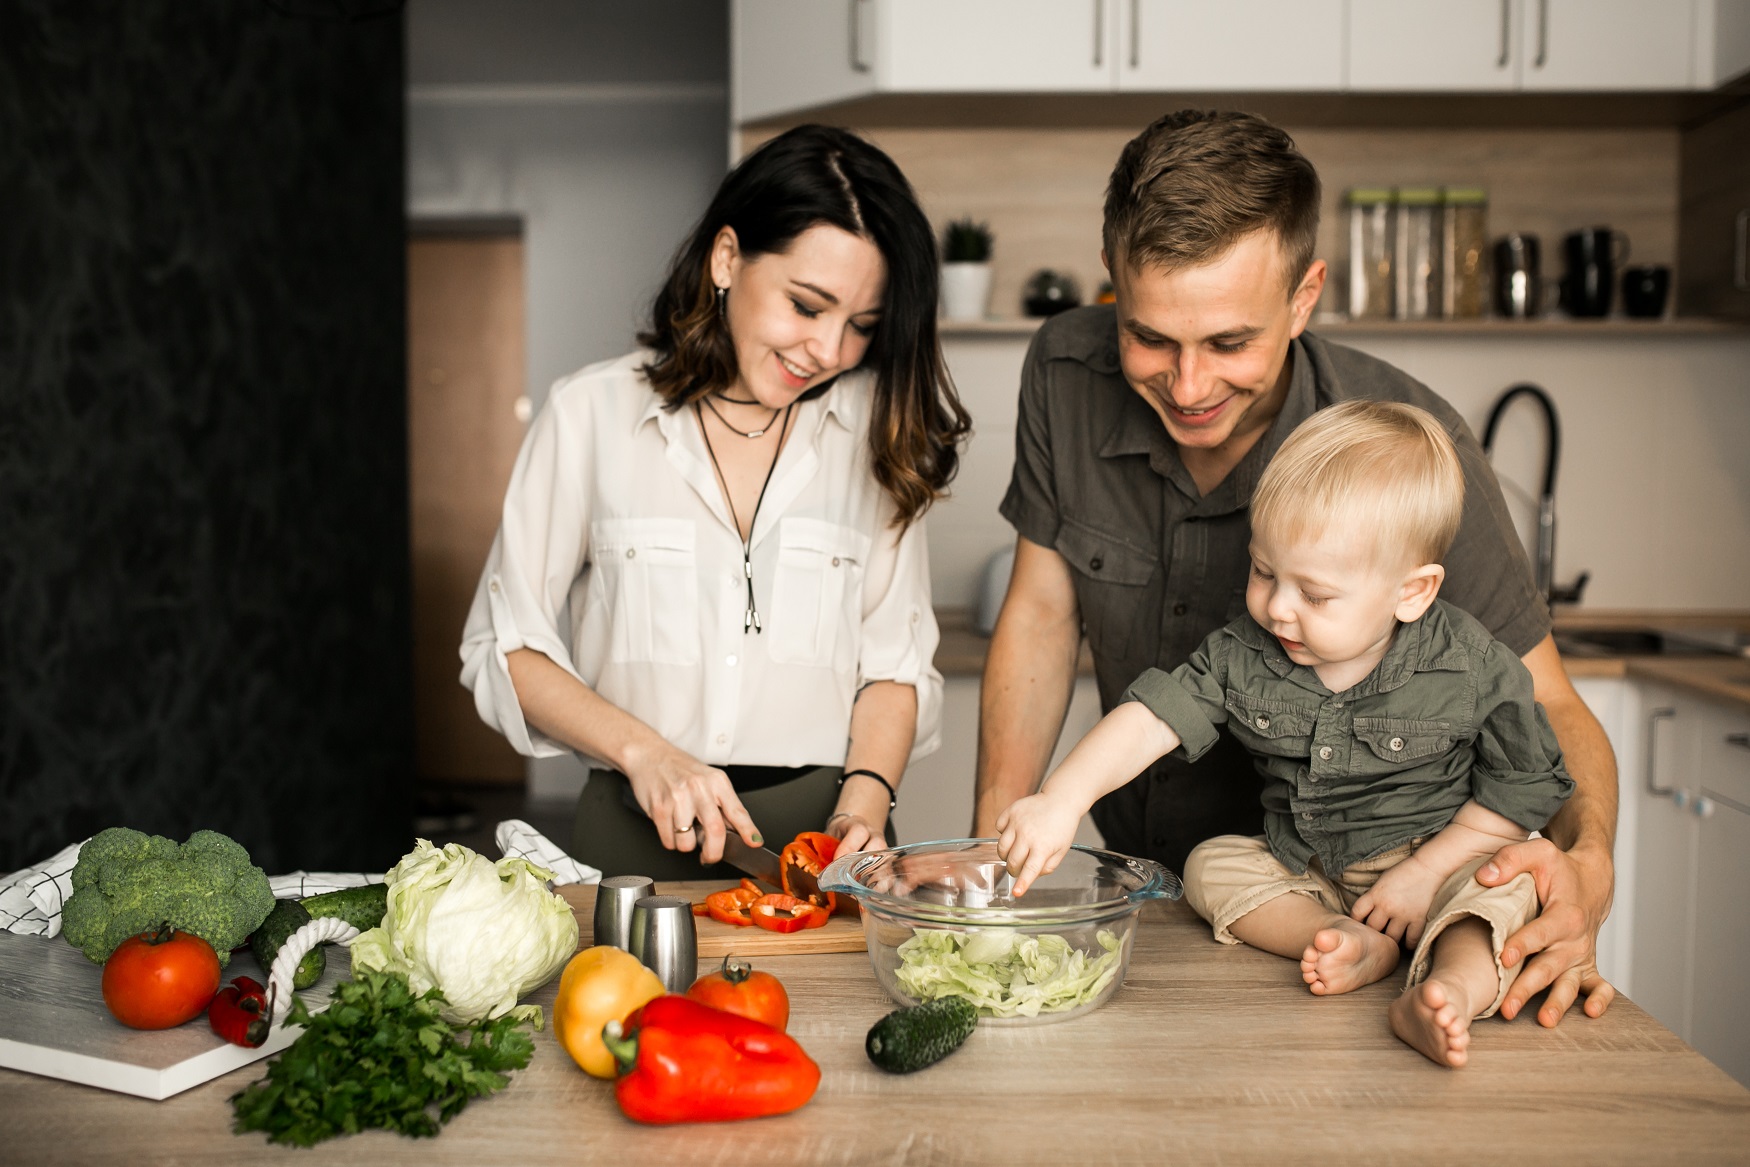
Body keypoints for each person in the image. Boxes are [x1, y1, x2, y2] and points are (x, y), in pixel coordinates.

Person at [975, 109, 1618, 1027]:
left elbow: (1545, 705)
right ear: (1115, 287)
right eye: (1152, 338)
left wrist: (1588, 868)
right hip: (1196, 898)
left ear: (1306, 294)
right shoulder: (1063, 370)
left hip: (1382, 893)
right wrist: (1004, 851)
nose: (1188, 388)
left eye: (1230, 343)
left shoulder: (1410, 448)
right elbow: (1041, 614)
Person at [460, 124, 971, 879]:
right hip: (634, 836)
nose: (829, 351)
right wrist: (647, 752)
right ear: (727, 258)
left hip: (823, 847)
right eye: (806, 305)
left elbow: (893, 666)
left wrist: (863, 804)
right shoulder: (589, 414)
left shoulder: (879, 432)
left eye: (862, 325)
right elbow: (503, 649)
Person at [997, 401, 1573, 1067]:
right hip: (1313, 869)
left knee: (1504, 892)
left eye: (1316, 595)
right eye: (1264, 570)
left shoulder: (1471, 665)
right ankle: (1341, 938)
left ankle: (1449, 989)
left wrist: (1425, 874)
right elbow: (1154, 716)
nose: (1276, 606)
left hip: (1444, 863)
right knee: (1210, 865)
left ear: (1411, 593)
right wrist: (1061, 797)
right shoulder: (1247, 651)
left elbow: (1523, 790)